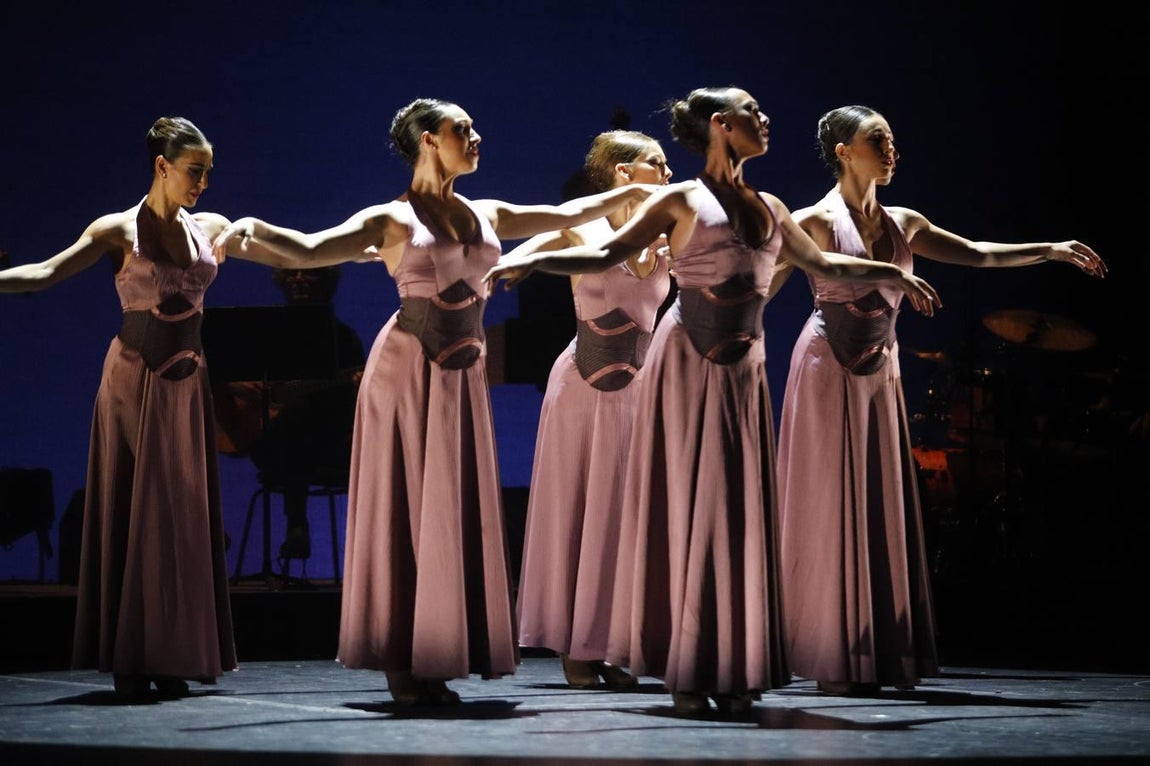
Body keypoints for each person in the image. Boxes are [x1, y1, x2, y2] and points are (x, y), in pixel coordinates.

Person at [485, 86, 940, 716]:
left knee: (736, 511)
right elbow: (604, 251)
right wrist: (525, 265)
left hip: (743, 369)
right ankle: (683, 664)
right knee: (687, 505)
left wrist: (892, 272)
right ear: (722, 126)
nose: (766, 119)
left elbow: (822, 262)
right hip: (686, 360)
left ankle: (731, 659)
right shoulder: (680, 200)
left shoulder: (773, 207)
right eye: (753, 113)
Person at [210, 98, 658, 706]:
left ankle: (436, 654)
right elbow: (311, 250)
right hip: (406, 373)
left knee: (449, 510)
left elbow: (567, 211)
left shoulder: (485, 211)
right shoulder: (393, 220)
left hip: (460, 377)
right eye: (462, 129)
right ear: (427, 139)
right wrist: (247, 236)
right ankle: (402, 662)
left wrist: (644, 195)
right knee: (409, 509)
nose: (476, 137)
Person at [774, 104, 1106, 696]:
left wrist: (1050, 249)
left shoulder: (905, 221)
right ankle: (827, 650)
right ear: (845, 150)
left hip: (880, 373)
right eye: (879, 139)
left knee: (878, 502)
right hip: (827, 368)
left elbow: (977, 252)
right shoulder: (813, 222)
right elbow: (761, 286)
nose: (892, 148)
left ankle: (871, 645)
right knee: (828, 502)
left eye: (893, 139)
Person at [0, 116, 312, 700]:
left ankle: (172, 651)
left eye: (209, 174)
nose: (203, 185)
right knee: (134, 514)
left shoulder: (211, 226)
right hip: (134, 382)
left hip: (187, 387)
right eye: (195, 172)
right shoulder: (118, 230)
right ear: (162, 166)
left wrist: (374, 250)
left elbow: (293, 251)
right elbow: (44, 274)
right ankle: (129, 655)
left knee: (181, 520)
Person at [514, 130, 673, 690]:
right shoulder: (584, 223)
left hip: (640, 391)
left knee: (624, 519)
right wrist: (509, 265)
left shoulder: (666, 231)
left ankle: (610, 643)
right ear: (624, 173)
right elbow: (537, 244)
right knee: (584, 513)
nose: (669, 172)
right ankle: (576, 649)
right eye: (659, 163)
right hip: (585, 386)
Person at [212, 265, 365, 572]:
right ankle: (206, 528)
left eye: (308, 274)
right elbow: (228, 377)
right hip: (269, 448)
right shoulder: (264, 333)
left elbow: (353, 402)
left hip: (327, 448)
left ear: (326, 282)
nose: (298, 280)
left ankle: (298, 525)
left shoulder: (343, 338)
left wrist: (349, 384)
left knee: (301, 413)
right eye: (291, 275)